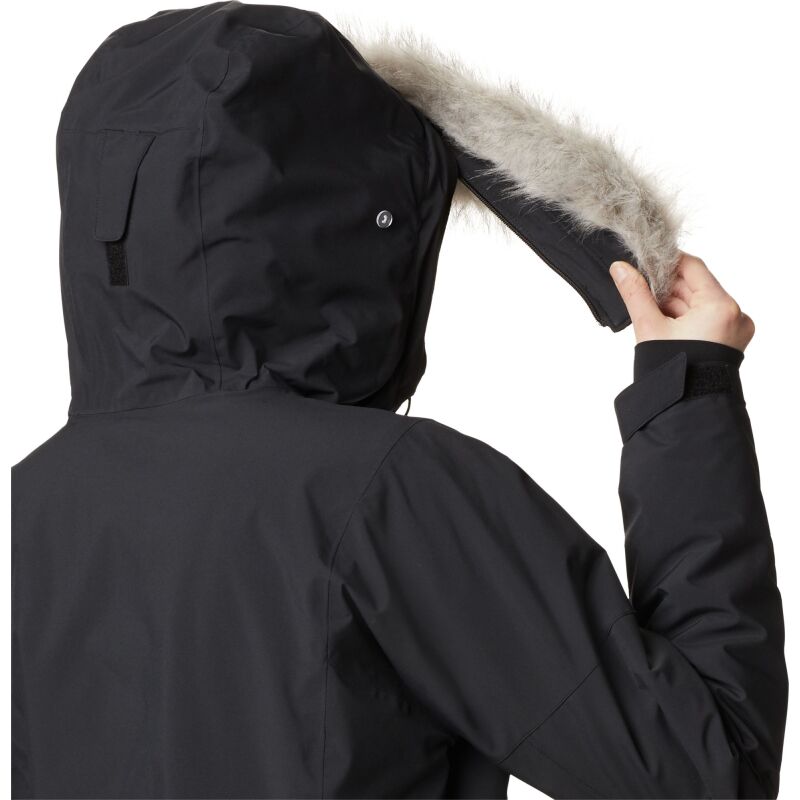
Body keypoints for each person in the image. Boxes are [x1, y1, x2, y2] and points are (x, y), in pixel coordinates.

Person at [11, 4, 786, 798]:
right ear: (359, 221)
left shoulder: (33, 499)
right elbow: (708, 773)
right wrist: (690, 388)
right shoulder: (384, 490)